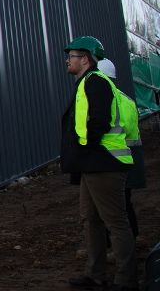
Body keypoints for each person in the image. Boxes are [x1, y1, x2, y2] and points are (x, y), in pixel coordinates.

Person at [61, 37, 136, 291]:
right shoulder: (85, 82)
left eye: (71, 56)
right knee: (90, 218)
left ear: (85, 58)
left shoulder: (96, 83)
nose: (67, 60)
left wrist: (85, 148)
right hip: (92, 163)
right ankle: (95, 275)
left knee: (115, 221)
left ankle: (126, 280)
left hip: (104, 161)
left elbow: (99, 121)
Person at [98, 58, 146, 238]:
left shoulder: (108, 100)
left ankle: (121, 244)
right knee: (124, 203)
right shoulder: (127, 99)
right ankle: (131, 238)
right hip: (131, 158)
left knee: (114, 208)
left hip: (115, 160)